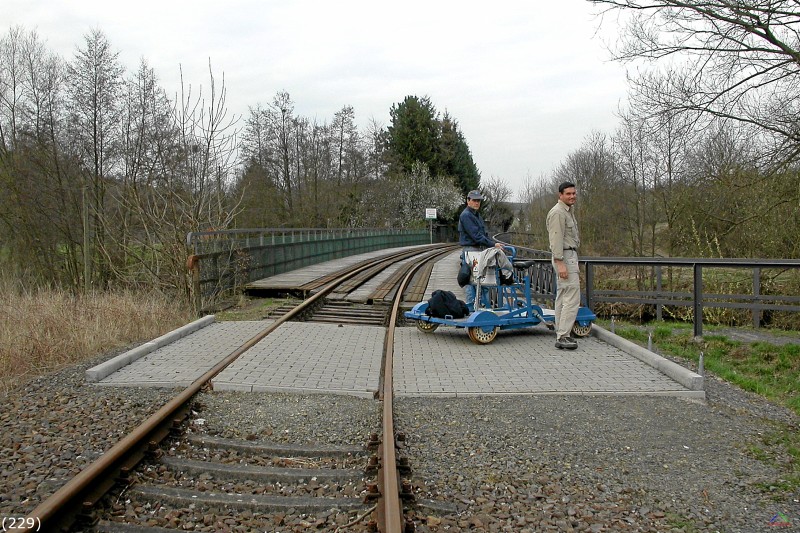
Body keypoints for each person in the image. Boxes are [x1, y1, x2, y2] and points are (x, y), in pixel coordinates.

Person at [546, 181, 581, 350]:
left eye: (573, 193)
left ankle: (561, 332)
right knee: (571, 298)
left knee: (562, 296)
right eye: (568, 194)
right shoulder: (558, 213)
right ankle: (564, 336)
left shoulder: (567, 211)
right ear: (560, 195)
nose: (572, 196)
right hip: (565, 256)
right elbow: (556, 238)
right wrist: (560, 262)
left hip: (568, 255)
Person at [458, 190, 504, 309]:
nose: (477, 203)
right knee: (471, 280)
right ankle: (471, 307)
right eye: (474, 200)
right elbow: (476, 236)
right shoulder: (466, 215)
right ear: (468, 201)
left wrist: (491, 243)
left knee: (479, 280)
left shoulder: (475, 215)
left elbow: (482, 234)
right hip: (471, 250)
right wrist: (493, 245)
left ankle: (482, 306)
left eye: (478, 201)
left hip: (477, 250)